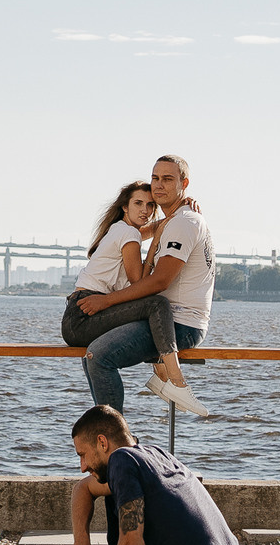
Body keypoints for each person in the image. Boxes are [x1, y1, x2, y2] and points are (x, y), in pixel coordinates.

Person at [51, 403, 241, 545]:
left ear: (102, 442)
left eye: (83, 455)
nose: (82, 467)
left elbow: (132, 543)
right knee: (110, 488)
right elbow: (83, 489)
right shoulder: (154, 454)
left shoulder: (121, 461)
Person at [75, 156, 212, 416]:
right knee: (92, 355)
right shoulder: (174, 221)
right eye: (155, 178)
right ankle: (158, 380)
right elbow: (143, 231)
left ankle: (115, 437)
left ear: (184, 183)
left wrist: (105, 301)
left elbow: (159, 281)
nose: (159, 185)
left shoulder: (184, 222)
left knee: (99, 356)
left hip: (180, 325)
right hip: (163, 321)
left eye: (168, 179)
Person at [61, 181, 191, 407]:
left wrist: (180, 212)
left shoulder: (119, 229)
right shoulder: (128, 234)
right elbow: (139, 282)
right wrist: (155, 245)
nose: (145, 210)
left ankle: (160, 372)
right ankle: (175, 380)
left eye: (150, 205)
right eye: (138, 203)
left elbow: (151, 228)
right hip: (85, 314)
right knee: (156, 304)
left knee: (144, 311)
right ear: (124, 207)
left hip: (79, 314)